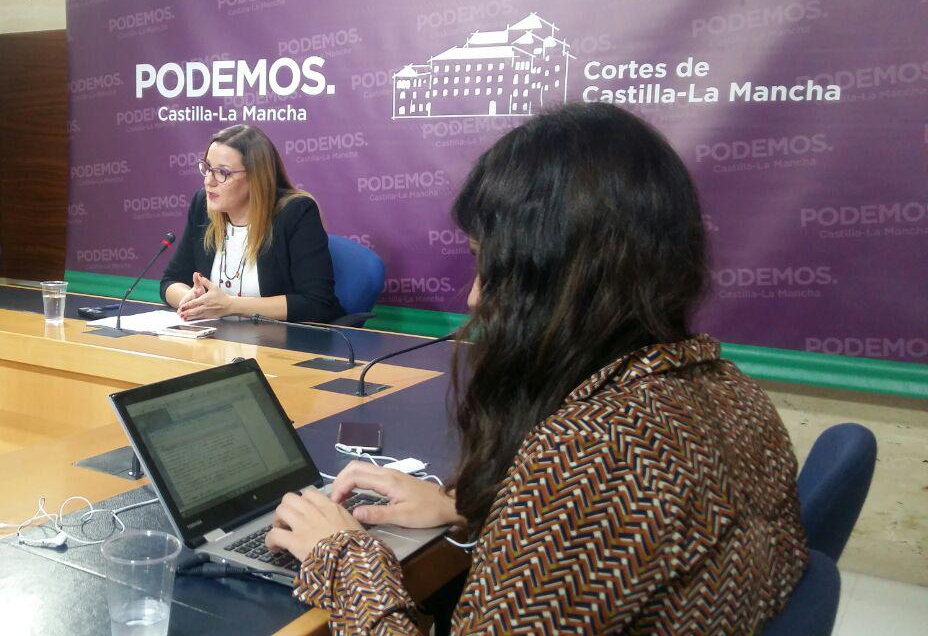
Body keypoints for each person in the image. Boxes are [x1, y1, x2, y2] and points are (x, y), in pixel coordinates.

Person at [265, 103, 809, 634]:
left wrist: (341, 557)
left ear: (561, 278)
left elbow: (599, 506)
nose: (476, 298)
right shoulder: (731, 390)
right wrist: (471, 510)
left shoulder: (594, 456)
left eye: (491, 266)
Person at [160, 124, 345, 324]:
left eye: (222, 172)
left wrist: (230, 306)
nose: (208, 181)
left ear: (255, 177)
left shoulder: (295, 213)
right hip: (216, 341)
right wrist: (191, 300)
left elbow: (317, 304)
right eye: (207, 168)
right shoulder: (203, 205)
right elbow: (171, 281)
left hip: (280, 345)